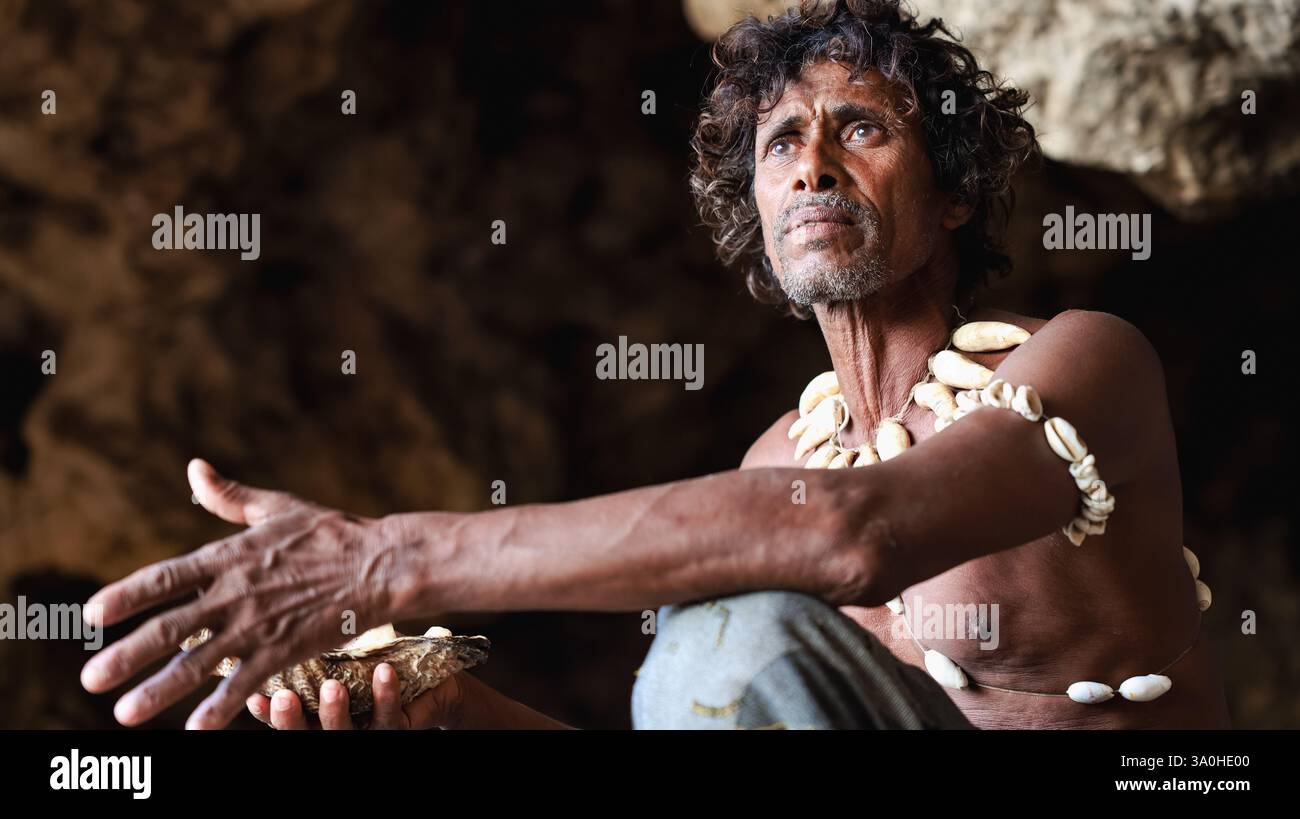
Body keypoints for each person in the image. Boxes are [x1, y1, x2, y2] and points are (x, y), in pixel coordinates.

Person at [78, 0, 1230, 730]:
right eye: (783, 143)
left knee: (723, 629)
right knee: (715, 645)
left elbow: (855, 533)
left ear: (954, 198)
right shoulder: (775, 460)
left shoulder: (1083, 361)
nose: (812, 166)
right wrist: (450, 711)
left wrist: (383, 559)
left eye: (864, 129)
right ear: (758, 211)